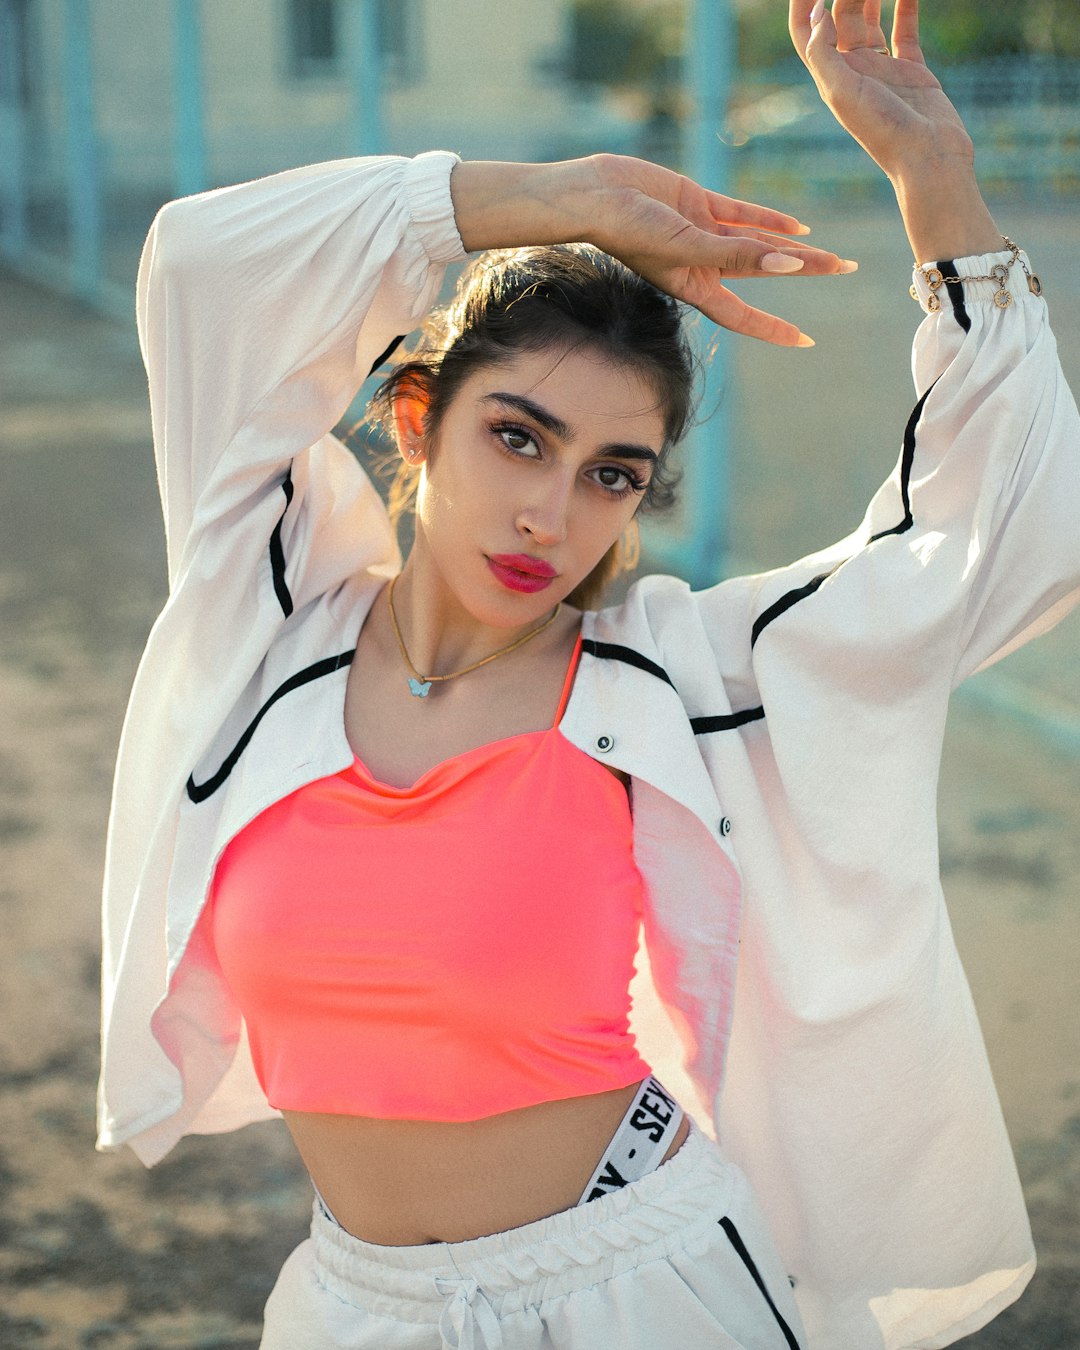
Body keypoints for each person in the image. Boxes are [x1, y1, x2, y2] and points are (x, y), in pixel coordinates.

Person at [97, 1, 1080, 1346]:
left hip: (642, 1285)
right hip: (353, 1308)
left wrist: (936, 178)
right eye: (519, 437)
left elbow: (1002, 536)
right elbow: (199, 269)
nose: (551, 514)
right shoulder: (264, 615)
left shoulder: (672, 673)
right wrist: (561, 201)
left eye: (610, 473)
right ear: (414, 421)